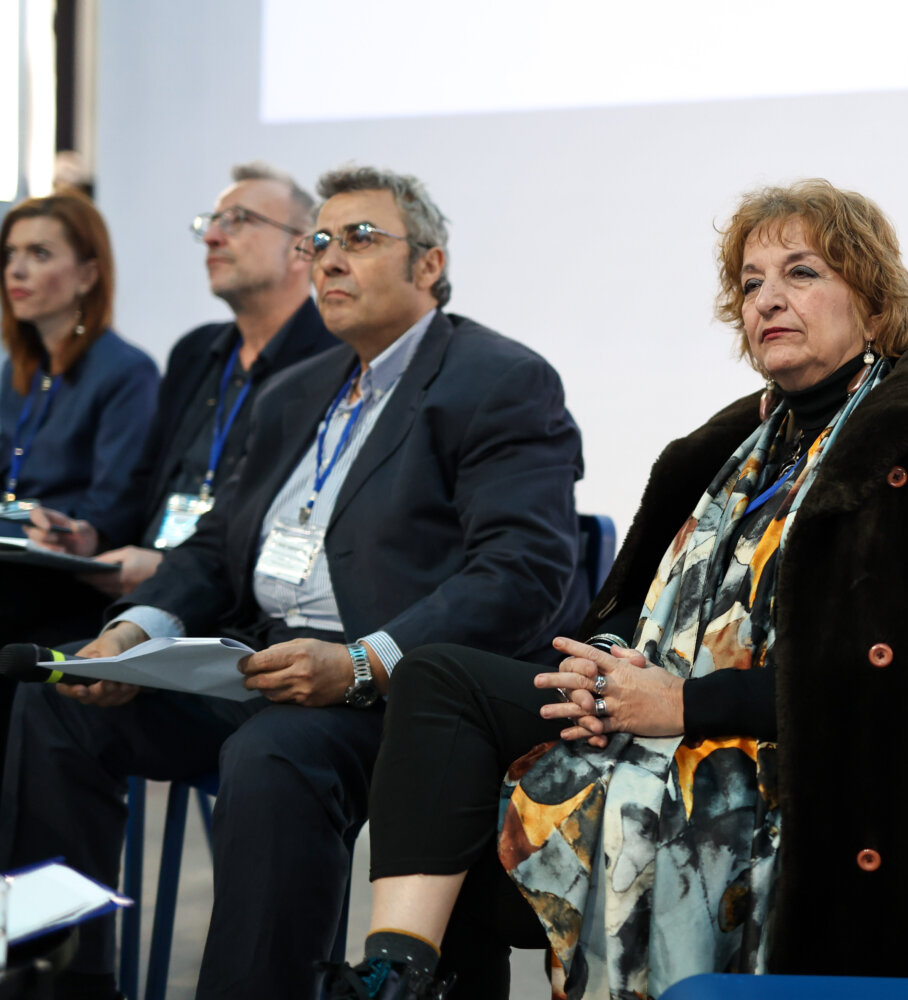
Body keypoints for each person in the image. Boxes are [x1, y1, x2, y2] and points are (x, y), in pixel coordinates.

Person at [319, 179, 908, 1000]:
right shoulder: (740, 445)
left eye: (802, 272)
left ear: (876, 304)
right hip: (656, 721)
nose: (767, 299)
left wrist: (684, 704)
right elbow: (638, 608)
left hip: (799, 777)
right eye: (751, 283)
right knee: (438, 680)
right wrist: (602, 663)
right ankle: (396, 972)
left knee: (464, 835)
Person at [0, 165, 590, 1000]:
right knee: (59, 699)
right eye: (319, 241)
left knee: (275, 753)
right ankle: (59, 978)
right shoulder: (294, 392)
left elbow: (521, 572)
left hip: (401, 695)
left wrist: (360, 664)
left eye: (360, 239)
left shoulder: (497, 380)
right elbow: (216, 548)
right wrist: (134, 635)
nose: (330, 258)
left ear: (429, 265)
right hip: (266, 663)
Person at [24, 161, 337, 595]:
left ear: (302, 248)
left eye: (239, 221)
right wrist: (94, 536)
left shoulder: (333, 359)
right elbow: (144, 479)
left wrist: (172, 571)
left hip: (231, 598)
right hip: (138, 585)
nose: (212, 237)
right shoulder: (196, 351)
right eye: (211, 223)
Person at [0, 192, 159, 644]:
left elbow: (112, 512)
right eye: (10, 254)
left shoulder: (126, 371)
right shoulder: (17, 370)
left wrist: (58, 529)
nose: (15, 270)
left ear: (88, 275)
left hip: (63, 584)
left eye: (39, 254)